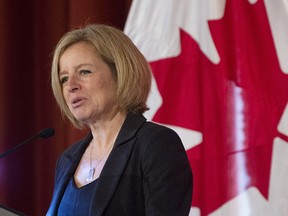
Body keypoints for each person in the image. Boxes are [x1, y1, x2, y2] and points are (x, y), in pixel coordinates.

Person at [47, 24, 193, 216]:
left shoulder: (155, 145)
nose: (70, 86)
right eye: (64, 78)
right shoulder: (67, 160)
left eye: (84, 72)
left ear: (120, 73)